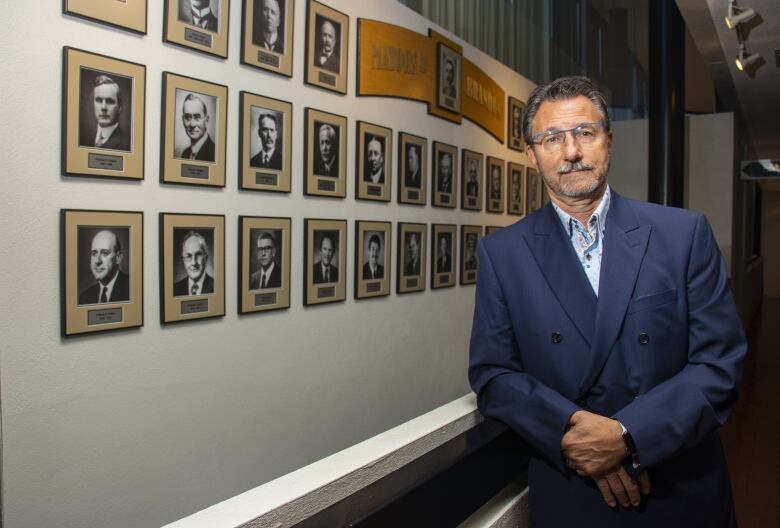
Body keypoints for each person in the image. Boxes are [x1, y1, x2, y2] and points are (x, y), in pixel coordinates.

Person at [468, 76, 746, 528]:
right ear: (531, 153)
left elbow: (721, 363)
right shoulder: (504, 254)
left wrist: (627, 434)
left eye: (585, 133)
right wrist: (574, 432)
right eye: (552, 138)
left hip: (678, 487)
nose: (571, 151)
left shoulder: (682, 235)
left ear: (608, 142)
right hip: (576, 492)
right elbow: (493, 373)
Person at [78, 230, 130, 305]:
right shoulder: (84, 297)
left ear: (118, 258)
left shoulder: (132, 289)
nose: (97, 261)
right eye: (94, 253)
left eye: (105, 253)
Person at [85, 75, 130, 151]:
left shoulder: (127, 145)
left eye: (110, 101)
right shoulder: (85, 137)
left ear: (119, 107)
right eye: (99, 100)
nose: (103, 107)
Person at [173, 231, 214, 296]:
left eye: (198, 254)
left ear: (206, 258)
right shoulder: (175, 289)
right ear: (183, 259)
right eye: (188, 256)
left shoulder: (217, 286)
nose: (194, 262)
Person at [180, 94, 216, 162]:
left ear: (206, 120)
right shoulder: (185, 154)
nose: (192, 124)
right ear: (182, 120)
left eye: (197, 117)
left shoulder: (214, 153)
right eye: (187, 117)